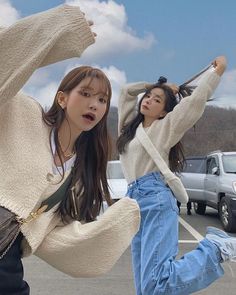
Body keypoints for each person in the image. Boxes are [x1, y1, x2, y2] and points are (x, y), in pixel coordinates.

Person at [0, 5, 140, 294]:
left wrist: (106, 233)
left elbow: (51, 235)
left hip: (7, 260)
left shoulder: (81, 172)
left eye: (102, 99)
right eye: (85, 94)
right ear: (62, 98)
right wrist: (54, 30)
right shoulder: (23, 111)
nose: (94, 104)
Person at [117, 56, 236, 295]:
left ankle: (214, 249)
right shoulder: (129, 128)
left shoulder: (166, 127)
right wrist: (153, 86)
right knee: (145, 289)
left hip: (156, 199)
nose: (149, 100)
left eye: (156, 100)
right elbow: (126, 92)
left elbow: (194, 103)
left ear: (164, 112)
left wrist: (216, 73)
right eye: (148, 96)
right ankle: (214, 248)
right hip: (133, 204)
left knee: (156, 286)